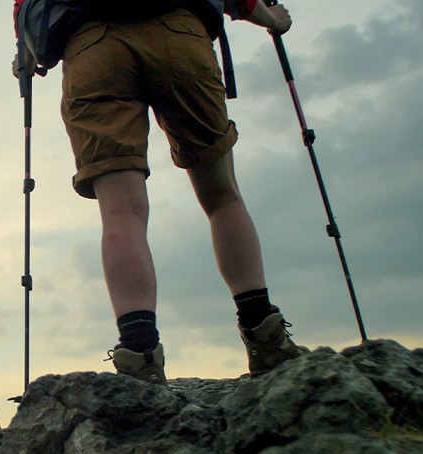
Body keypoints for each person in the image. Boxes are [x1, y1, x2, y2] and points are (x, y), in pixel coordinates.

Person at [27, 0, 309, 383]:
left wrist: (25, 58)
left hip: (92, 47)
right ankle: (266, 337)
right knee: (222, 196)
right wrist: (269, 18)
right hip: (180, 33)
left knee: (121, 213)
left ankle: (139, 354)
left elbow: (27, 12)